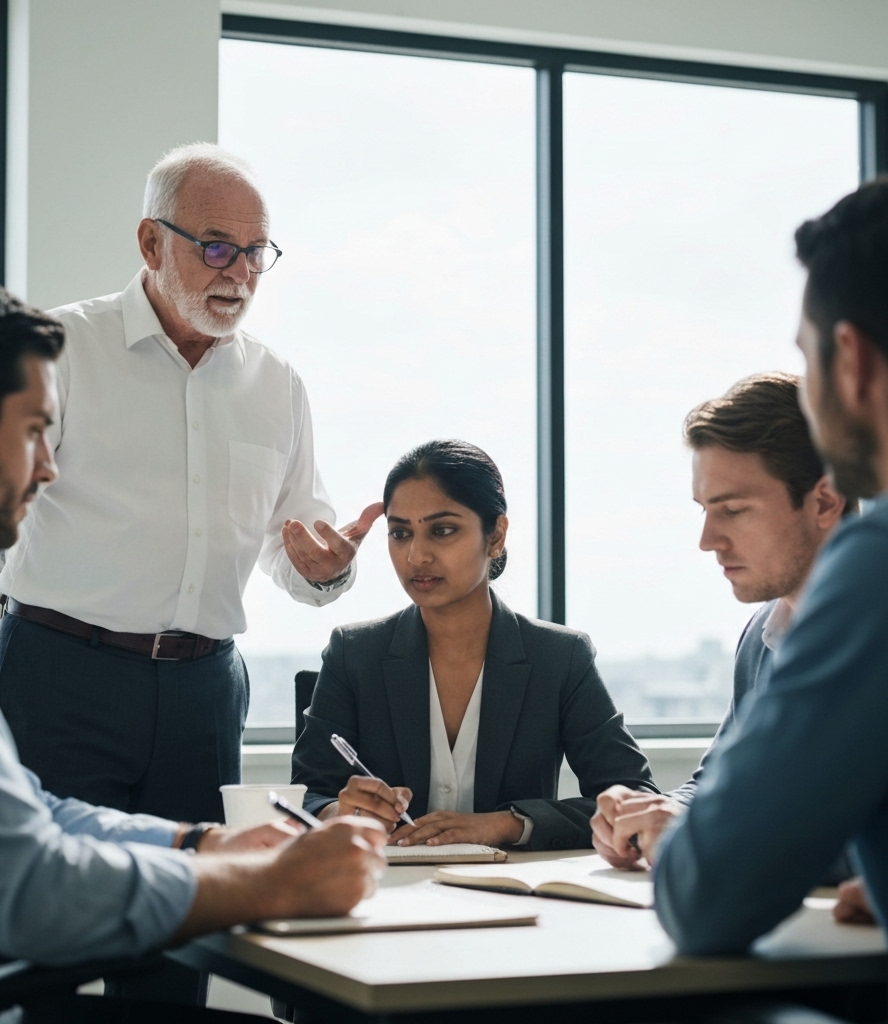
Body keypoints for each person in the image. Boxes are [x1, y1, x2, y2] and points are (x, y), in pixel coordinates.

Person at [0, 273, 385, 1020]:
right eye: (36, 430)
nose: (48, 466)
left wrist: (197, 843)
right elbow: (27, 890)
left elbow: (18, 810)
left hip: (200, 678)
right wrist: (274, 885)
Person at [0, 142, 382, 825]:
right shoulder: (61, 349)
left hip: (204, 691)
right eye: (215, 248)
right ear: (150, 242)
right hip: (62, 676)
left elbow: (291, 548)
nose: (239, 274)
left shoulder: (277, 385)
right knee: (54, 906)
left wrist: (322, 573)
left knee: (200, 908)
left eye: (256, 251)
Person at [651, 178, 888, 953]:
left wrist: (674, 842)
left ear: (848, 359)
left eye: (807, 361)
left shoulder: (871, 571)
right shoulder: (773, 628)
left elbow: (704, 895)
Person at [291, 439, 658, 851]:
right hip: (382, 894)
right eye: (400, 533)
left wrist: (508, 824)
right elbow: (306, 796)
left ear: (496, 535)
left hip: (512, 897)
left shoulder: (559, 657)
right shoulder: (353, 653)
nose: (417, 555)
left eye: (442, 530)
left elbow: (634, 798)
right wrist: (339, 812)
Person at [590, 373, 849, 868]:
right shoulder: (763, 634)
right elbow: (718, 782)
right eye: (705, 509)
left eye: (732, 510)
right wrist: (657, 813)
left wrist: (709, 836)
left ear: (824, 501)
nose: (708, 540)